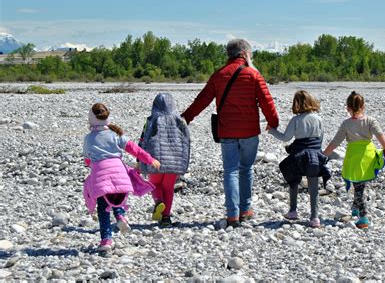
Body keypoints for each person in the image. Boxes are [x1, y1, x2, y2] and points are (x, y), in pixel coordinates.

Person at [181, 39, 279, 227]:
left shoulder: (219, 75)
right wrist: (273, 123)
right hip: (249, 131)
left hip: (226, 131)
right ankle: (245, 209)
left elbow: (202, 100)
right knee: (246, 168)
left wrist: (186, 118)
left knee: (231, 170)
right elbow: (267, 102)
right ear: (244, 54)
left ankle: (232, 214)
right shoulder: (253, 74)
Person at [83, 103, 160, 253]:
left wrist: (90, 163)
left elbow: (87, 159)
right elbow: (135, 150)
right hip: (119, 172)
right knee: (117, 195)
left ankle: (106, 240)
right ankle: (120, 216)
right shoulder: (116, 135)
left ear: (91, 120)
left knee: (103, 208)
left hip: (101, 175)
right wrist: (150, 160)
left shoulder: (88, 138)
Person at [323, 91, 385, 229]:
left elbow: (336, 142)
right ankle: (355, 207)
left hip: (353, 157)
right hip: (367, 156)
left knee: (358, 185)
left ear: (348, 107)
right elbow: (381, 137)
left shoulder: (346, 124)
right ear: (363, 106)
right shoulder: (370, 121)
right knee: (360, 184)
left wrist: (324, 154)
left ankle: (363, 217)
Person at [267, 90, 330, 228]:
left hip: (299, 156)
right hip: (314, 156)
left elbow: (285, 138)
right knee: (313, 186)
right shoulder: (318, 119)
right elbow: (320, 139)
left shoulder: (295, 120)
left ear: (297, 104)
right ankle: (315, 217)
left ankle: (293, 211)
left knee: (293, 180)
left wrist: (272, 131)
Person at [138, 93, 191, 227]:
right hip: (174, 161)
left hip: (155, 159)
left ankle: (158, 202)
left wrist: (139, 158)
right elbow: (186, 141)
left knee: (155, 185)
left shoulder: (152, 120)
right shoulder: (180, 121)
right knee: (168, 188)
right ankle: (166, 217)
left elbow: (143, 139)